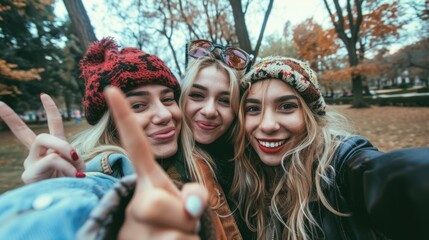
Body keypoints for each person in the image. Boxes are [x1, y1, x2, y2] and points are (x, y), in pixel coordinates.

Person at [0, 38, 212, 239]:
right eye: (138, 105)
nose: (165, 114)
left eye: (167, 99)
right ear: (109, 124)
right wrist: (56, 190)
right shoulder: (103, 173)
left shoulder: (198, 155)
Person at [230, 56, 429, 240]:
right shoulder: (240, 176)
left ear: (311, 116)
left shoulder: (339, 167)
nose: (266, 125)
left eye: (286, 106)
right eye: (253, 109)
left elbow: (395, 177)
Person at [179, 38, 254, 239]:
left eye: (224, 100)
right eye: (197, 95)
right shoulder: (170, 166)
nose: (210, 111)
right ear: (182, 99)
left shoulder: (251, 160)